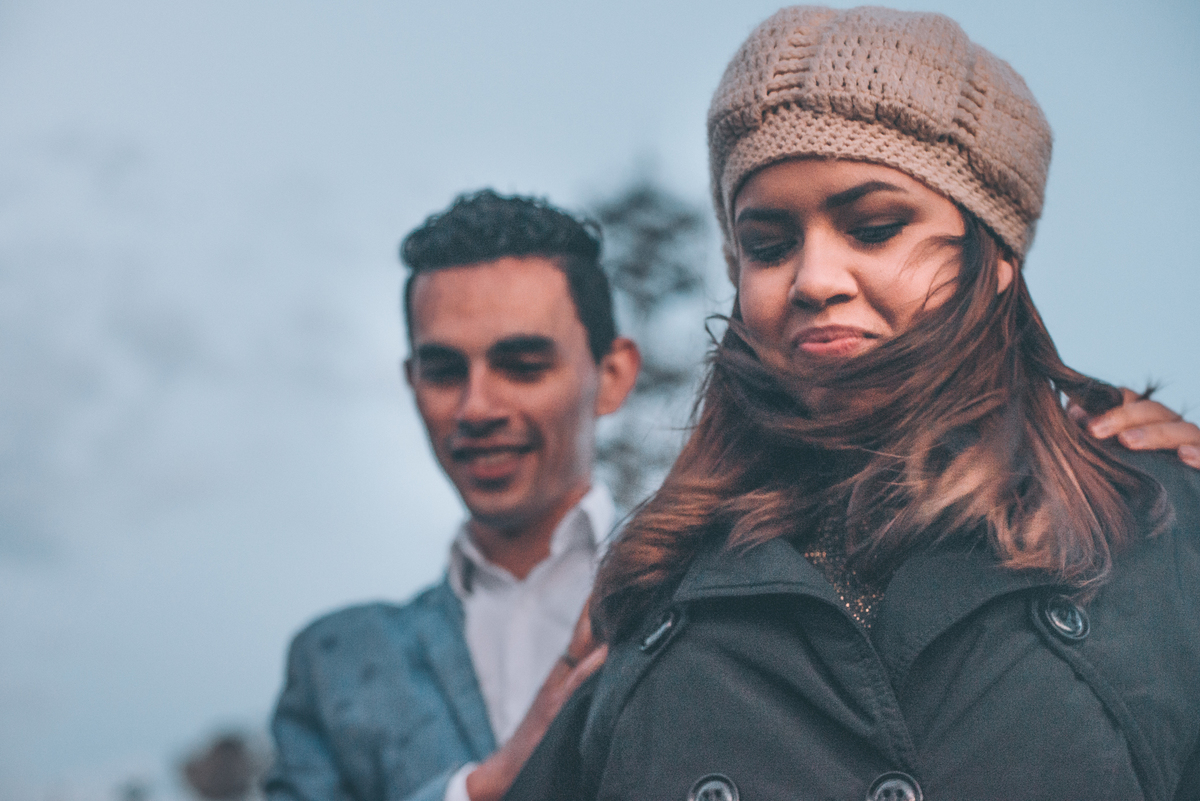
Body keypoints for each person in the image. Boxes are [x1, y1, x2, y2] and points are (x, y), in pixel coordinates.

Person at [506, 7, 1200, 801]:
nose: (813, 279)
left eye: (873, 227)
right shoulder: (654, 594)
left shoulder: (1165, 528)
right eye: (767, 245)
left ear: (996, 254)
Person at [264, 191, 629, 801]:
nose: (476, 407)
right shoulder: (336, 664)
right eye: (443, 371)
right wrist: (481, 790)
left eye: (522, 365)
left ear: (612, 376)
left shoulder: (700, 596)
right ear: (412, 383)